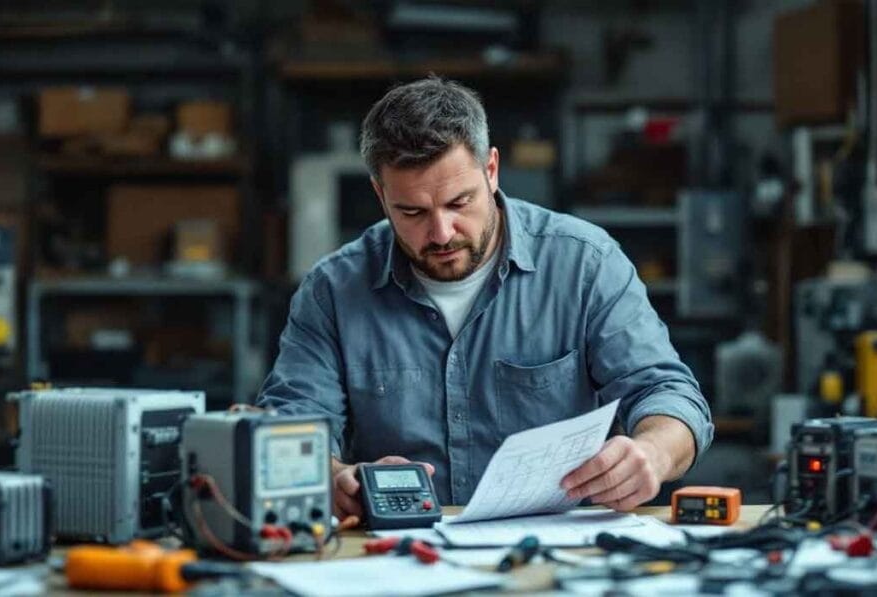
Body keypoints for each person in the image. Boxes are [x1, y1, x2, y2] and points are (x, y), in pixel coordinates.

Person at [258, 76, 713, 521]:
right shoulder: (332, 291)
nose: (440, 233)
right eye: (412, 212)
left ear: (491, 170)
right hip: (397, 552)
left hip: (555, 556)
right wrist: (333, 476)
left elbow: (668, 393)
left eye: (459, 202)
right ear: (380, 194)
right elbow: (292, 429)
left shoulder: (584, 266)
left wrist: (652, 453)